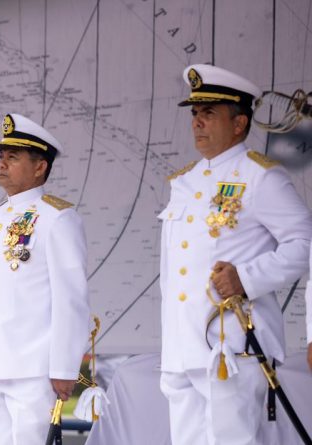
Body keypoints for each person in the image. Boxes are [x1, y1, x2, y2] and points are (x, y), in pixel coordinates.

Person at [159, 64, 312, 445]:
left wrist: (246, 277)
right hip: (183, 347)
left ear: (239, 123)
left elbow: (304, 243)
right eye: (195, 113)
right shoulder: (183, 182)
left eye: (209, 113)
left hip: (232, 346)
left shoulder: (260, 176)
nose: (197, 122)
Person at [0, 114, 91, 443]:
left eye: (13, 157)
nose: (2, 163)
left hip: (34, 368)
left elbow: (71, 299)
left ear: (40, 167)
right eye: (1, 156)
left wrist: (65, 368)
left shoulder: (57, 218)